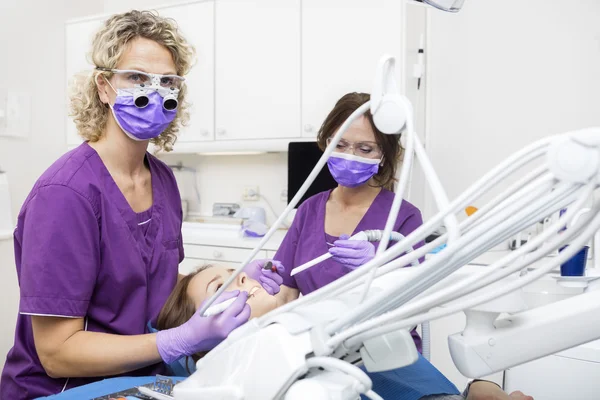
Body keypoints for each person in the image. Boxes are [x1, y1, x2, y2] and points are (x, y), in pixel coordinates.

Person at [0, 10, 279, 399]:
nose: (155, 90)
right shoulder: (65, 195)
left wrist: (233, 279)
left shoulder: (162, 180)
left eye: (167, 81)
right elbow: (56, 353)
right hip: (64, 389)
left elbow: (149, 283)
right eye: (136, 77)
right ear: (104, 86)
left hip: (140, 379)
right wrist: (176, 340)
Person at [271, 92, 532, 400]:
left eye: (364, 148)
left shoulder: (403, 216)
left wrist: (378, 269)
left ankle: (479, 392)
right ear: (326, 141)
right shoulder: (309, 211)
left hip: (383, 352)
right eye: (339, 144)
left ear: (384, 153)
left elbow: (414, 302)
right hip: (318, 354)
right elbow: (285, 293)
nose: (349, 155)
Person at [155, 264, 533, 400]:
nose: (242, 278)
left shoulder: (313, 318)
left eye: (235, 272)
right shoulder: (253, 371)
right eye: (219, 288)